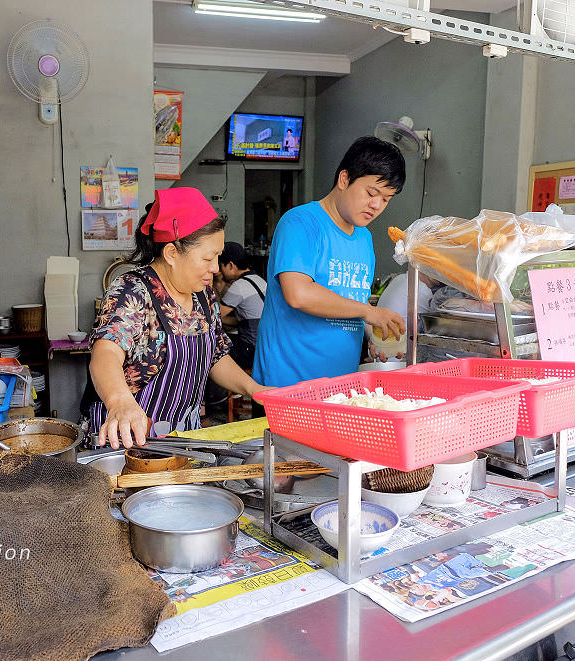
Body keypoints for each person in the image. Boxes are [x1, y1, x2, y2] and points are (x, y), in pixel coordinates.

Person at [84, 187, 268, 448]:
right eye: (207, 258)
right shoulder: (132, 291)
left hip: (183, 441)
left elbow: (216, 356)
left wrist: (254, 389)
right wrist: (120, 402)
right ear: (171, 253)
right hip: (128, 441)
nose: (215, 268)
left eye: (218, 257)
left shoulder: (203, 295)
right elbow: (106, 353)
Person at [253, 137, 407, 387]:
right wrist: (370, 312)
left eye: (386, 199)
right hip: (288, 381)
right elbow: (298, 294)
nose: (376, 205)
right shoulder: (300, 223)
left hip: (339, 383)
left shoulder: (364, 238)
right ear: (344, 179)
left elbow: (354, 301)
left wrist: (374, 336)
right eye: (371, 192)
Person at [216, 241, 267, 370]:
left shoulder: (239, 286)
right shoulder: (259, 280)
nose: (219, 271)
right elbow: (247, 319)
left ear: (231, 265)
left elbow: (214, 315)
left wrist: (217, 284)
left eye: (221, 266)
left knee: (216, 354)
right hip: (264, 346)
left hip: (250, 350)